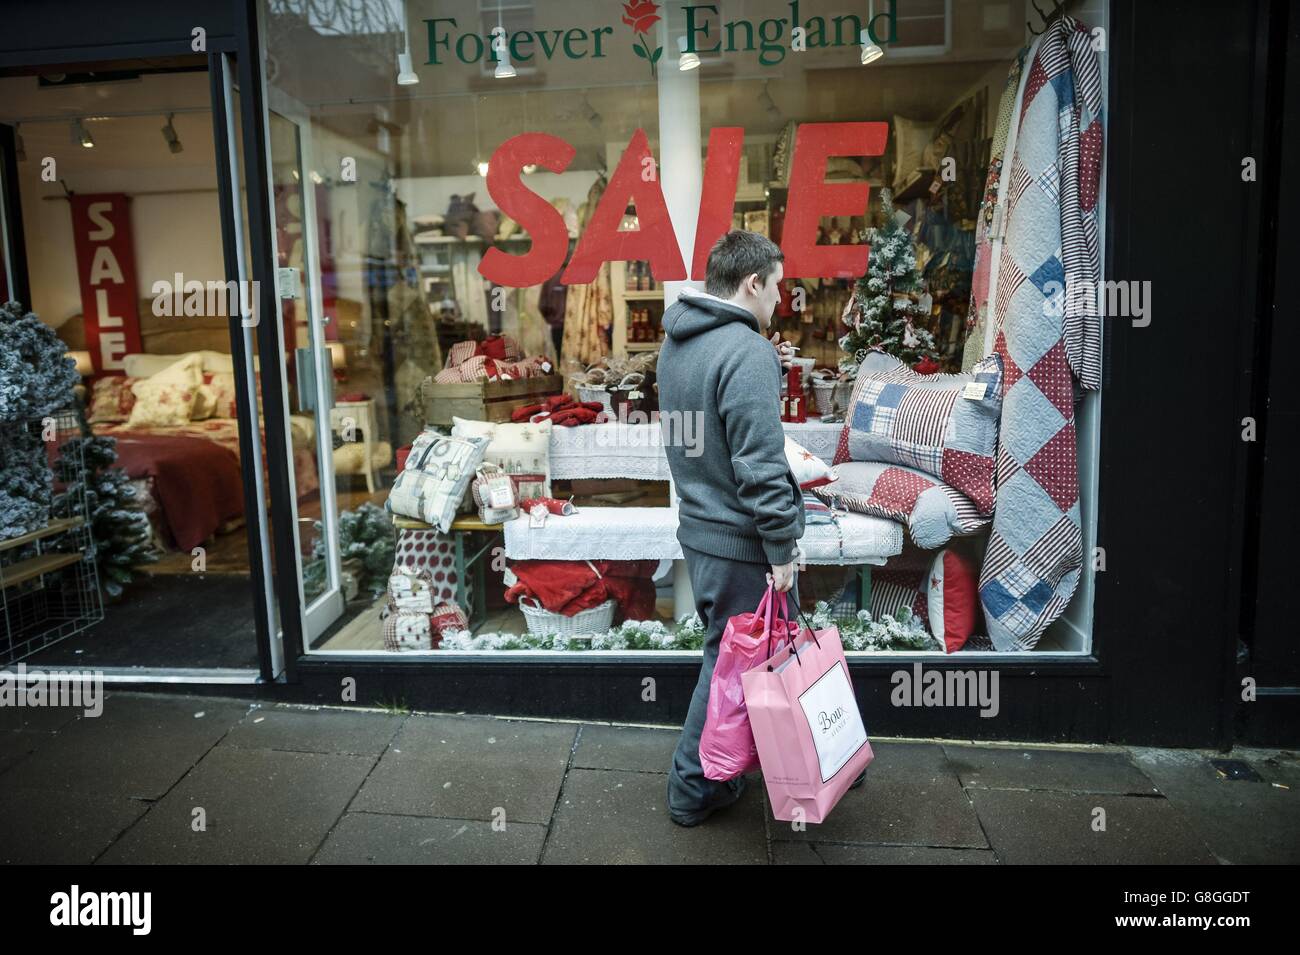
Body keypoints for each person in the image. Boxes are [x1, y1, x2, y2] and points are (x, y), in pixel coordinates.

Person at [655, 230, 804, 827]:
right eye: (777, 287)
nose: (779, 301)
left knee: (749, 657)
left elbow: (705, 440)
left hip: (701, 527)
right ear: (752, 284)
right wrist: (782, 544)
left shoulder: (679, 341)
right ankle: (693, 787)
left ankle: (795, 764)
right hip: (742, 541)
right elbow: (760, 464)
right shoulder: (746, 351)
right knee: (736, 662)